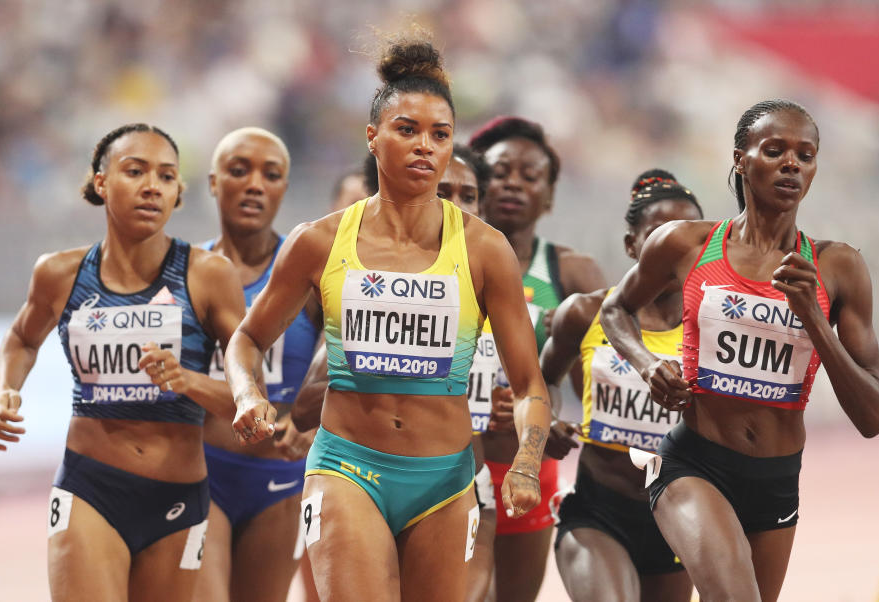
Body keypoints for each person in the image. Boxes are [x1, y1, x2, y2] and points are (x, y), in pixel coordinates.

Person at [225, 37, 552, 602]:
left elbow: (530, 386)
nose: (425, 146)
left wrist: (526, 460)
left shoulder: (484, 249)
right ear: (373, 137)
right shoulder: (319, 241)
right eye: (407, 129)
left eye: (440, 134)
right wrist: (247, 393)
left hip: (446, 480)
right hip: (347, 467)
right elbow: (248, 339)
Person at [600, 99, 879, 602]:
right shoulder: (685, 244)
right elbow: (614, 311)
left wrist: (814, 320)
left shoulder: (837, 267)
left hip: (776, 479)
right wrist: (648, 366)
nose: (792, 164)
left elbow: (873, 416)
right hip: (694, 463)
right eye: (775, 150)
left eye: (806, 154)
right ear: (741, 159)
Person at [0, 123, 246, 600]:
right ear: (101, 182)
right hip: (90, 489)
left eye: (167, 177)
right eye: (135, 171)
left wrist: (187, 381)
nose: (152, 186)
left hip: (178, 499)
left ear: (177, 193)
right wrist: (7, 389)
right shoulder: (59, 273)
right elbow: (21, 339)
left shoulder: (209, 277)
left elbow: (249, 401)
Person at [541, 169, 702, 602]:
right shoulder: (585, 312)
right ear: (632, 245)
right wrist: (547, 420)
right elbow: (541, 382)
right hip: (598, 512)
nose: (673, 251)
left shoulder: (715, 326)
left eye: (688, 240)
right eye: (658, 237)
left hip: (678, 518)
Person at [468, 115, 606, 602]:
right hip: (452, 467)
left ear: (548, 197)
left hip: (529, 469)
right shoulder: (444, 260)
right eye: (502, 171)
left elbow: (603, 379)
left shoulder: (570, 271)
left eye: (531, 176)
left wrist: (563, 424)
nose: (514, 184)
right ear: (475, 181)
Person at [196, 127, 322, 602]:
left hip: (281, 482)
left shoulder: (306, 273)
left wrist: (315, 425)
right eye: (238, 170)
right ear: (213, 182)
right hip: (201, 473)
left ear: (284, 188)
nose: (254, 184)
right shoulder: (188, 271)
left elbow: (349, 363)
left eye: (271, 175)